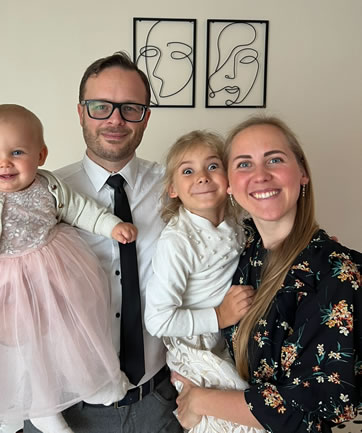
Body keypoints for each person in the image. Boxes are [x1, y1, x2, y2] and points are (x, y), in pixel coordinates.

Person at [0, 104, 137, 433]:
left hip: (49, 273)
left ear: (41, 155)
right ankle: (40, 407)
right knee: (19, 347)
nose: (4, 162)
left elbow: (81, 210)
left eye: (17, 152)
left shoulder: (50, 186)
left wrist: (112, 226)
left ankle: (92, 380)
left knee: (72, 329)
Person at [173, 116, 361, 433]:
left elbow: (309, 410)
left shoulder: (335, 272)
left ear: (302, 173)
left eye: (274, 159)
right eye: (244, 164)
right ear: (229, 184)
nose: (260, 175)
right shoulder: (237, 248)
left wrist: (200, 401)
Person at [37, 52, 183, 433]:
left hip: (158, 404)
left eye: (130, 108)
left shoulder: (177, 188)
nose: (115, 120)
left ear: (146, 117)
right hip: (66, 409)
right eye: (101, 106)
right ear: (81, 112)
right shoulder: (43, 195)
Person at [144, 130, 263, 433]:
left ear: (229, 178)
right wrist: (219, 315)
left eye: (212, 166)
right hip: (193, 346)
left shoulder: (239, 223)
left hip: (226, 341)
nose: (202, 177)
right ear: (172, 189)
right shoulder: (178, 241)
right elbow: (157, 320)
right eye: (188, 171)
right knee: (239, 421)